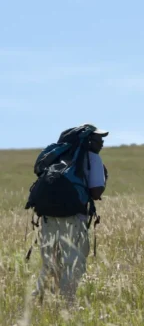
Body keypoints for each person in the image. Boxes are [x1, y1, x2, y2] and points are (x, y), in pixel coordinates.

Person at [32, 124, 108, 304]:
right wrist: (105, 176)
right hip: (74, 217)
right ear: (89, 141)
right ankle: (67, 305)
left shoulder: (59, 156)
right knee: (73, 263)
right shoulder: (93, 158)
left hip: (48, 217)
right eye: (99, 139)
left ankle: (37, 303)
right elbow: (96, 192)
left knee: (50, 263)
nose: (102, 142)